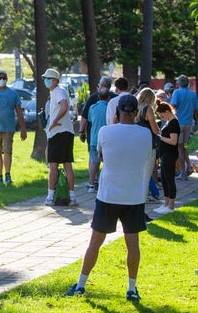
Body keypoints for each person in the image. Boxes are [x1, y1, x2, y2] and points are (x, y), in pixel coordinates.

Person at [65, 95, 152, 301]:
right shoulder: (145, 134)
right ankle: (131, 288)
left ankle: (80, 285)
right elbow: (145, 157)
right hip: (133, 196)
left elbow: (101, 156)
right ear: (137, 112)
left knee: (95, 241)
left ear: (117, 112)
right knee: (133, 243)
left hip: (108, 195)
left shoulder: (105, 131)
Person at [42, 68, 77, 206]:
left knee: (53, 165)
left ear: (55, 80)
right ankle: (72, 197)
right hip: (66, 132)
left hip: (58, 133)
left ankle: (50, 196)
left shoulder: (58, 91)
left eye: (48, 78)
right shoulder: (59, 91)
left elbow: (64, 106)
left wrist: (54, 121)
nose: (46, 80)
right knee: (67, 164)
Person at [169, 75, 198, 179]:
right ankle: (189, 167)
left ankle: (183, 172)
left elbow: (172, 106)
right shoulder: (192, 94)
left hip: (179, 123)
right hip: (189, 123)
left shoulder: (177, 92)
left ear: (178, 83)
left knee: (179, 148)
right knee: (183, 147)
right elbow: (196, 110)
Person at [135, 88, 161, 203]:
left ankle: (136, 198)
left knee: (138, 174)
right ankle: (143, 200)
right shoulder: (148, 109)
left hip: (137, 143)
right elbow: (155, 130)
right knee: (146, 174)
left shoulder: (136, 109)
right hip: (149, 143)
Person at [154, 102, 180, 214]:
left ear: (167, 112)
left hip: (170, 154)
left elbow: (173, 141)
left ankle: (171, 206)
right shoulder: (169, 122)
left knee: (169, 179)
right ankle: (166, 203)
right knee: (164, 179)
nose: (161, 117)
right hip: (165, 154)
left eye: (161, 115)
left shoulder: (174, 123)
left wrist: (160, 137)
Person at [86, 88, 110, 194]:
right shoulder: (109, 108)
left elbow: (90, 119)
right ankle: (104, 183)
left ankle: (91, 184)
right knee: (107, 162)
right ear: (108, 97)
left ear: (98, 97)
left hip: (94, 138)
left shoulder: (92, 107)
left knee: (94, 162)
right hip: (107, 138)